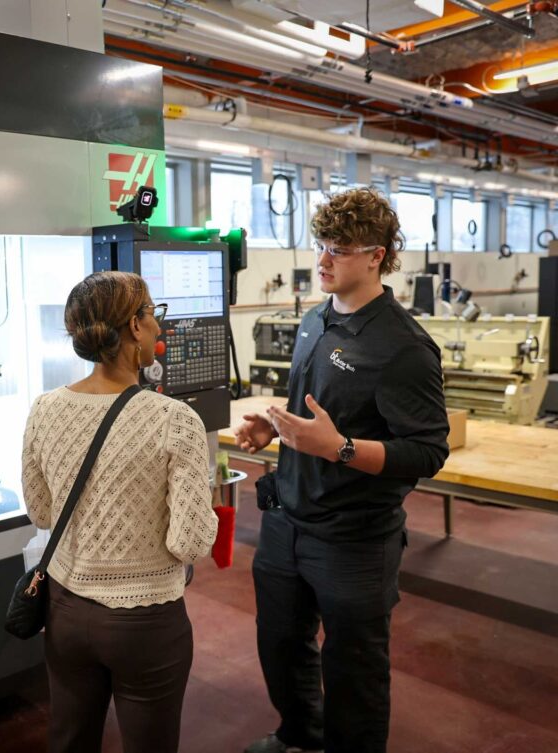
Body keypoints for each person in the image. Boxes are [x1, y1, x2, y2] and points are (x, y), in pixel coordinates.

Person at [237, 187, 449, 753]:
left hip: (353, 537)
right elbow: (310, 412)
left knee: (354, 669)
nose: (323, 260)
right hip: (286, 521)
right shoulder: (314, 319)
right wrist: (272, 429)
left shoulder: (403, 347)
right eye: (321, 245)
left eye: (340, 249)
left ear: (377, 255)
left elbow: (428, 451)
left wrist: (341, 449)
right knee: (280, 644)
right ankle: (299, 735)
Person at [22, 270, 218, 753]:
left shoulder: (45, 409)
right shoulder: (176, 419)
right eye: (153, 314)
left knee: (70, 741)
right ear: (134, 326)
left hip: (65, 613)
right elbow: (190, 543)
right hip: (146, 622)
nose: (158, 328)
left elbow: (42, 512)